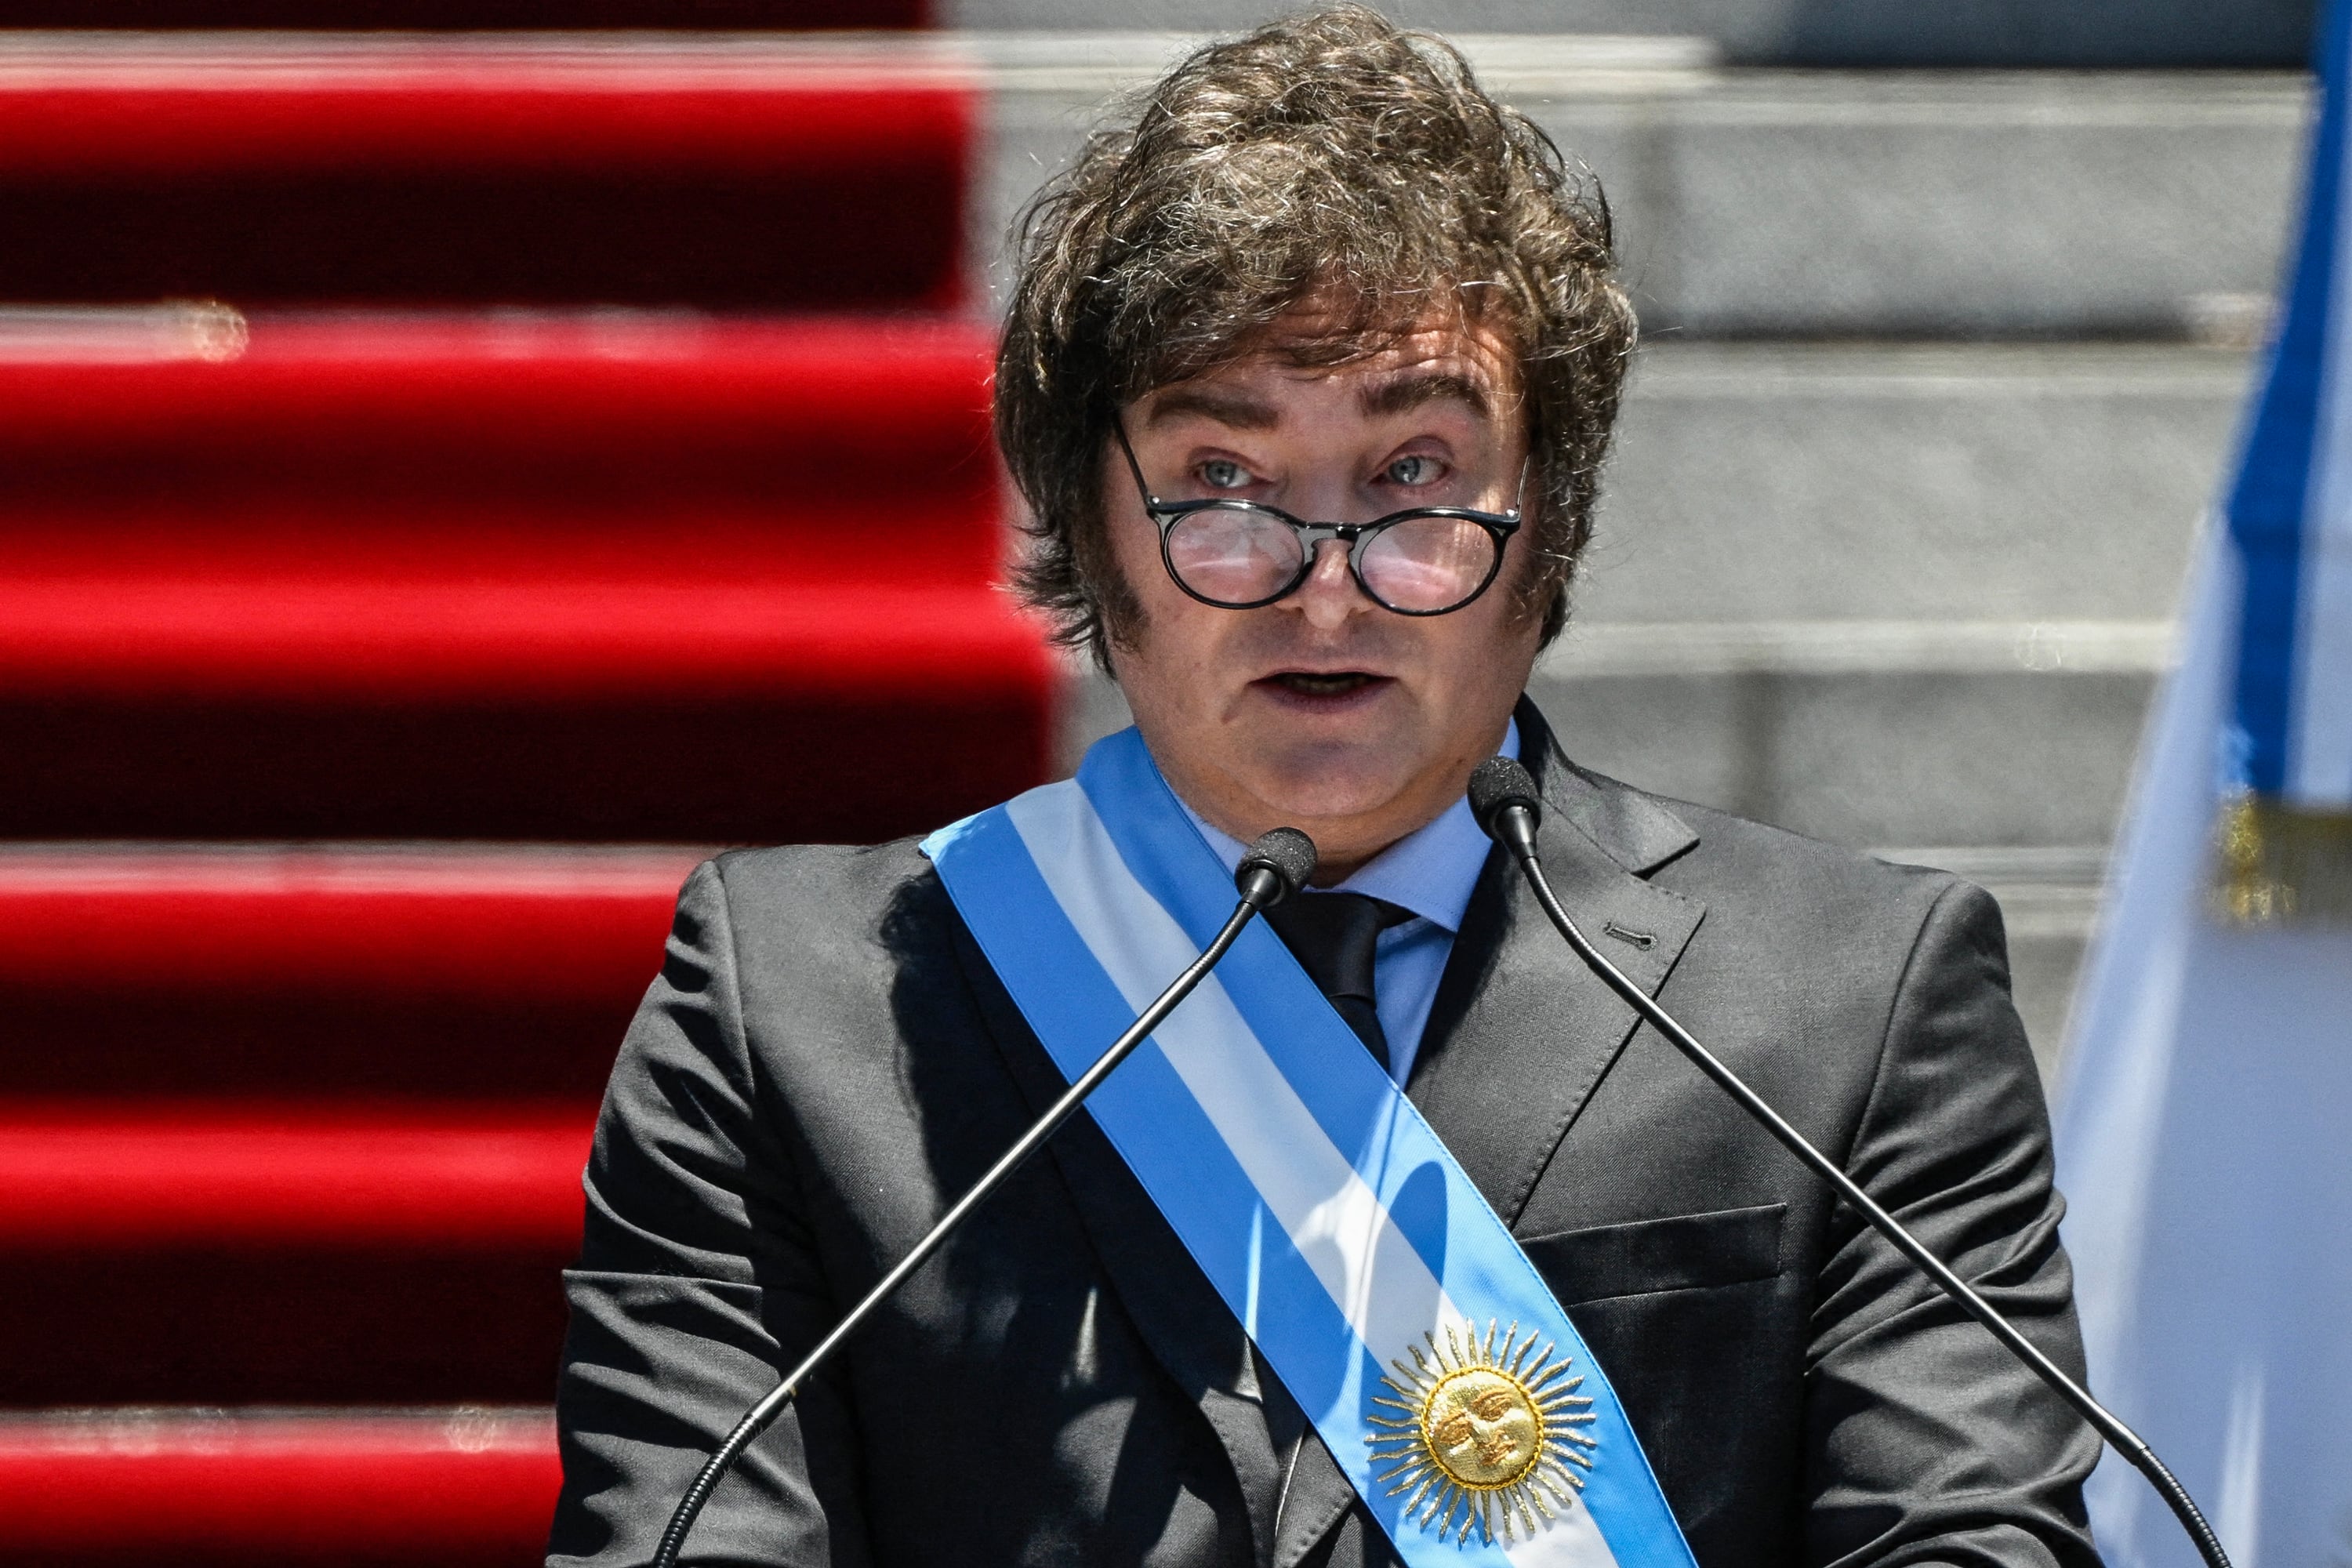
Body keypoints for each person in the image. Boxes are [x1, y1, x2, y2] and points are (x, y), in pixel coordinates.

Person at [547, 9, 2101, 1566]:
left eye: (1413, 475)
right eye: (1225, 482)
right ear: (1090, 524)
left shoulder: (1848, 1001)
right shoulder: (793, 1013)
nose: (1325, 586)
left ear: (1547, 520)